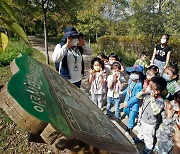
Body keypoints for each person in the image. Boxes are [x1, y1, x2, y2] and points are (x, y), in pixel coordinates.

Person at [133, 77, 167, 154]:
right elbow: (138, 96)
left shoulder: (160, 101)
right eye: (149, 84)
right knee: (141, 130)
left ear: (157, 91)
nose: (148, 87)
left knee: (148, 136)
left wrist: (152, 99)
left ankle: (148, 148)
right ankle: (140, 137)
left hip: (150, 123)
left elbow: (156, 111)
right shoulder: (148, 93)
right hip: (143, 117)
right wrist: (142, 92)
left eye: (151, 86)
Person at [121, 65, 144, 135]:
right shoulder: (130, 81)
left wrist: (128, 103)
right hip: (127, 100)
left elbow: (137, 97)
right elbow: (128, 88)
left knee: (132, 116)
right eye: (133, 72)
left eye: (136, 73)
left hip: (134, 104)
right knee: (125, 110)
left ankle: (129, 128)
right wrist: (122, 92)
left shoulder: (139, 85)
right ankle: (132, 116)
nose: (134, 74)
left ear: (139, 75)